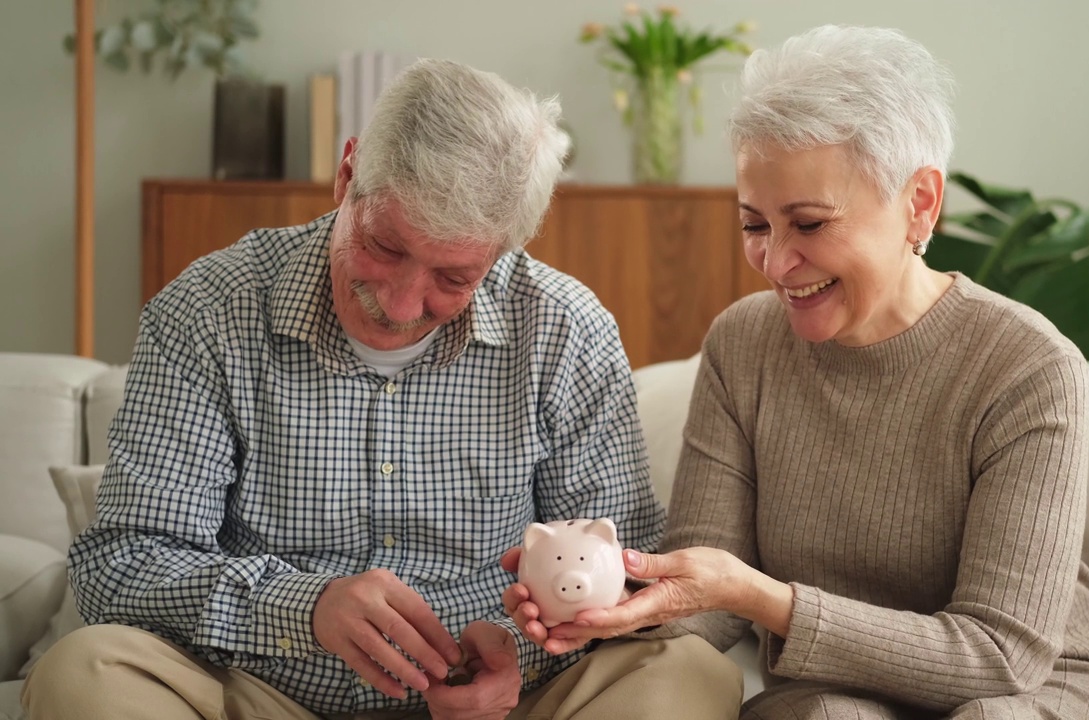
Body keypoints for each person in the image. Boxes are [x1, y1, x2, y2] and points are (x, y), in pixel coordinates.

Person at [22, 58, 740, 720]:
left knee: (687, 674)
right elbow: (122, 562)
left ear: (504, 250)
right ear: (347, 176)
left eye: (454, 278)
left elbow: (623, 579)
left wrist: (520, 652)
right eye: (384, 246)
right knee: (84, 672)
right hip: (264, 694)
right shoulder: (208, 311)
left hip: (507, 708)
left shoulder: (565, 330)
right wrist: (303, 607)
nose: (399, 304)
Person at [503, 26, 1089, 720]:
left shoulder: (1027, 367)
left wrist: (763, 598)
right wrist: (606, 601)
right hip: (839, 693)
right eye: (755, 224)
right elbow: (706, 609)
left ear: (920, 202)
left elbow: (1000, 657)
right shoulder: (742, 345)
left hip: (1040, 691)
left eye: (810, 223)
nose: (774, 261)